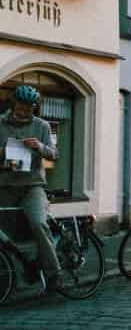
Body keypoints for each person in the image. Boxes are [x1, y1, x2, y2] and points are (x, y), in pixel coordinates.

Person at [0, 85, 61, 293]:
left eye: (29, 108)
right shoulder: (0, 123)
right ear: (14, 103)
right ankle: (16, 271)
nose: (24, 111)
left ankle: (54, 274)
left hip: (32, 186)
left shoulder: (42, 126)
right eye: (21, 106)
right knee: (5, 236)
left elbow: (55, 154)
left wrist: (40, 147)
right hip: (5, 185)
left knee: (38, 224)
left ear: (34, 108)